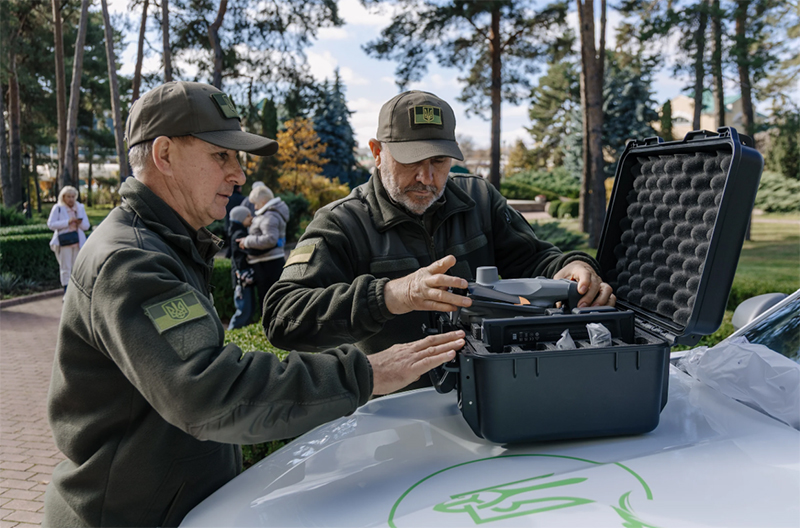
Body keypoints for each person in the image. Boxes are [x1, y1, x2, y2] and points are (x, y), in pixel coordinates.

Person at [43, 81, 464, 528]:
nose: (239, 175)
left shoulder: (166, 244)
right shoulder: (132, 260)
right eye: (221, 156)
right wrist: (369, 373)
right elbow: (209, 393)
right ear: (164, 154)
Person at [264, 90, 616, 391]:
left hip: (492, 390)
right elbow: (282, 317)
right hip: (392, 411)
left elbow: (533, 260)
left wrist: (571, 266)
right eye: (411, 160)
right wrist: (391, 295)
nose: (427, 177)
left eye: (439, 160)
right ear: (377, 152)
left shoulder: (479, 198)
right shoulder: (341, 222)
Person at [237, 184, 289, 313]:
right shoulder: (271, 213)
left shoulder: (270, 216)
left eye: (256, 203)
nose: (255, 207)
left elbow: (270, 239)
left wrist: (247, 241)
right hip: (268, 261)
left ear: (263, 202)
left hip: (267, 264)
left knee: (268, 303)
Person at [47, 185, 90, 292]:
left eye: (73, 196)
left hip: (78, 242)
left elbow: (86, 226)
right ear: (63, 197)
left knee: (77, 268)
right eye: (68, 197)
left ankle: (76, 292)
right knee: (66, 268)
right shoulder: (58, 208)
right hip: (64, 242)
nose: (71, 199)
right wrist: (67, 222)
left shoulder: (79, 208)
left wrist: (79, 223)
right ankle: (67, 292)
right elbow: (51, 224)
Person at [227, 205, 256, 329]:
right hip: (242, 279)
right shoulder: (239, 234)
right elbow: (248, 252)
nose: (251, 218)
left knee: (247, 309)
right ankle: (231, 333)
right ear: (240, 218)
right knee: (243, 310)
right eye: (248, 216)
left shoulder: (237, 232)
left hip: (243, 278)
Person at [222, 184, 244, 258]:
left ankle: (228, 257)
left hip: (228, 225)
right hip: (240, 225)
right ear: (238, 189)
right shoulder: (243, 199)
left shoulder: (227, 199)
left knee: (230, 244)